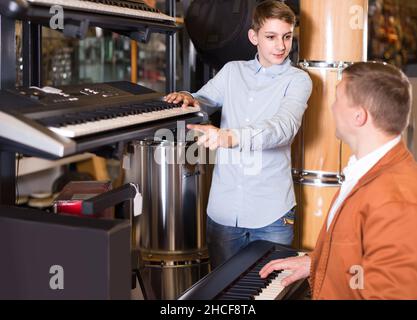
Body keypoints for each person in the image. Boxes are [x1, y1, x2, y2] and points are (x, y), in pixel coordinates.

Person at [164, 1, 312, 269]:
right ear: (253, 37)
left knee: (269, 294)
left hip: (272, 215)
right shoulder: (233, 71)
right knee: (223, 294)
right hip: (223, 212)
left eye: (286, 36)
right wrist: (188, 97)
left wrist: (230, 137)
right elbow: (204, 98)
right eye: (271, 37)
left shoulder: (298, 80)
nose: (281, 46)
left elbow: (284, 127)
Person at [259, 61, 417, 299]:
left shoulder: (395, 200)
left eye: (337, 99)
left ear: (358, 116)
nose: (331, 108)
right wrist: (317, 263)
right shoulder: (368, 170)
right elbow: (358, 251)